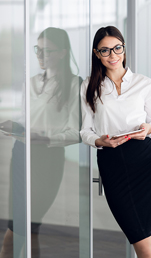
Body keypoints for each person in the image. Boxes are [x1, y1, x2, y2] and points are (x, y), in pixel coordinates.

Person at [80, 26, 151, 258]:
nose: (113, 55)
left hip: (145, 159)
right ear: (96, 54)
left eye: (117, 48)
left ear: (124, 49)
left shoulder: (144, 83)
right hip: (112, 163)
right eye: (105, 50)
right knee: (139, 234)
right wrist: (99, 141)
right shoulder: (89, 86)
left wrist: (147, 129)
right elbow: (85, 131)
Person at [0, 27, 81, 258]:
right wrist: (15, 126)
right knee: (27, 226)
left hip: (47, 158)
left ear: (63, 53)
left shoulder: (75, 85)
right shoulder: (31, 82)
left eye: (47, 51)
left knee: (23, 225)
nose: (40, 56)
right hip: (22, 154)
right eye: (38, 49)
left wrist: (45, 138)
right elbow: (27, 121)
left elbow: (75, 132)